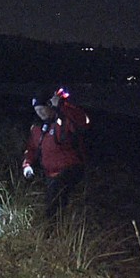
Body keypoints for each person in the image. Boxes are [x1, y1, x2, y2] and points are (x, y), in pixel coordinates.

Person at [22, 86, 91, 218]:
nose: (40, 113)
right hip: (50, 175)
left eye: (42, 109)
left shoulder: (64, 120)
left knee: (54, 205)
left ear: (49, 106)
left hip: (70, 171)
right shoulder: (37, 128)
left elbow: (84, 122)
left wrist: (62, 105)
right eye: (37, 110)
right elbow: (31, 149)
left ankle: (51, 231)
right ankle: (54, 231)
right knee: (52, 204)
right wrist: (27, 165)